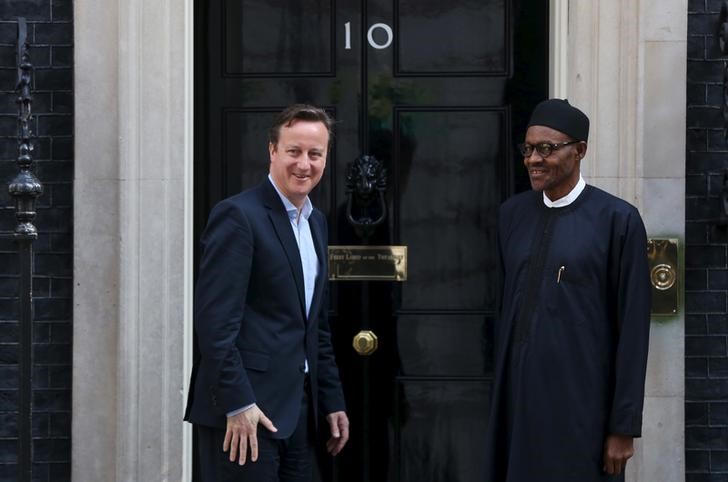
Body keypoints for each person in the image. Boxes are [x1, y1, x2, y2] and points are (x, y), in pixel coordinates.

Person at [484, 99, 651, 482]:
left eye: (547, 148)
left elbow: (633, 330)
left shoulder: (618, 220)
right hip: (519, 401)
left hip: (583, 408)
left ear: (580, 151)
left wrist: (623, 426)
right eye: (528, 149)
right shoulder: (513, 214)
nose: (533, 159)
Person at [185, 104, 349, 481]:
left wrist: (332, 399)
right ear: (272, 151)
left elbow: (315, 326)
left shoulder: (315, 223)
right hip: (243, 414)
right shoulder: (238, 216)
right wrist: (238, 402)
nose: (304, 164)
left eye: (315, 154)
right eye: (293, 151)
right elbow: (214, 325)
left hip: (297, 412)